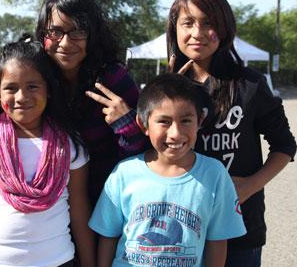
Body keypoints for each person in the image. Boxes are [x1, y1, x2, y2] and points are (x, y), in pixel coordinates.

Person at [166, 0, 297, 267]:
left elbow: (285, 145)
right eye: (187, 23)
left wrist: (249, 186)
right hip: (179, 230)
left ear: (225, 28)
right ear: (174, 27)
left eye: (209, 23)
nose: (197, 33)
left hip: (240, 230)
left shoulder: (250, 84)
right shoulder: (164, 90)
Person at [0, 38, 95, 267]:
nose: (22, 97)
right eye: (11, 88)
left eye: (33, 86)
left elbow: (79, 210)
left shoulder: (68, 145)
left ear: (49, 90)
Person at [89, 74, 246, 267]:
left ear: (200, 120)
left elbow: (218, 240)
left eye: (186, 121)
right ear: (143, 124)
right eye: (164, 121)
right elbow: (108, 236)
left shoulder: (215, 174)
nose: (175, 133)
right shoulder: (123, 173)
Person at [36, 0, 147, 206]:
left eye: (78, 31)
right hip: (49, 207)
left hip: (107, 205)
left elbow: (143, 158)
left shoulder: (113, 79)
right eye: (55, 32)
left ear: (93, 34)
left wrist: (127, 126)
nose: (66, 43)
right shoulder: (36, 77)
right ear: (42, 35)